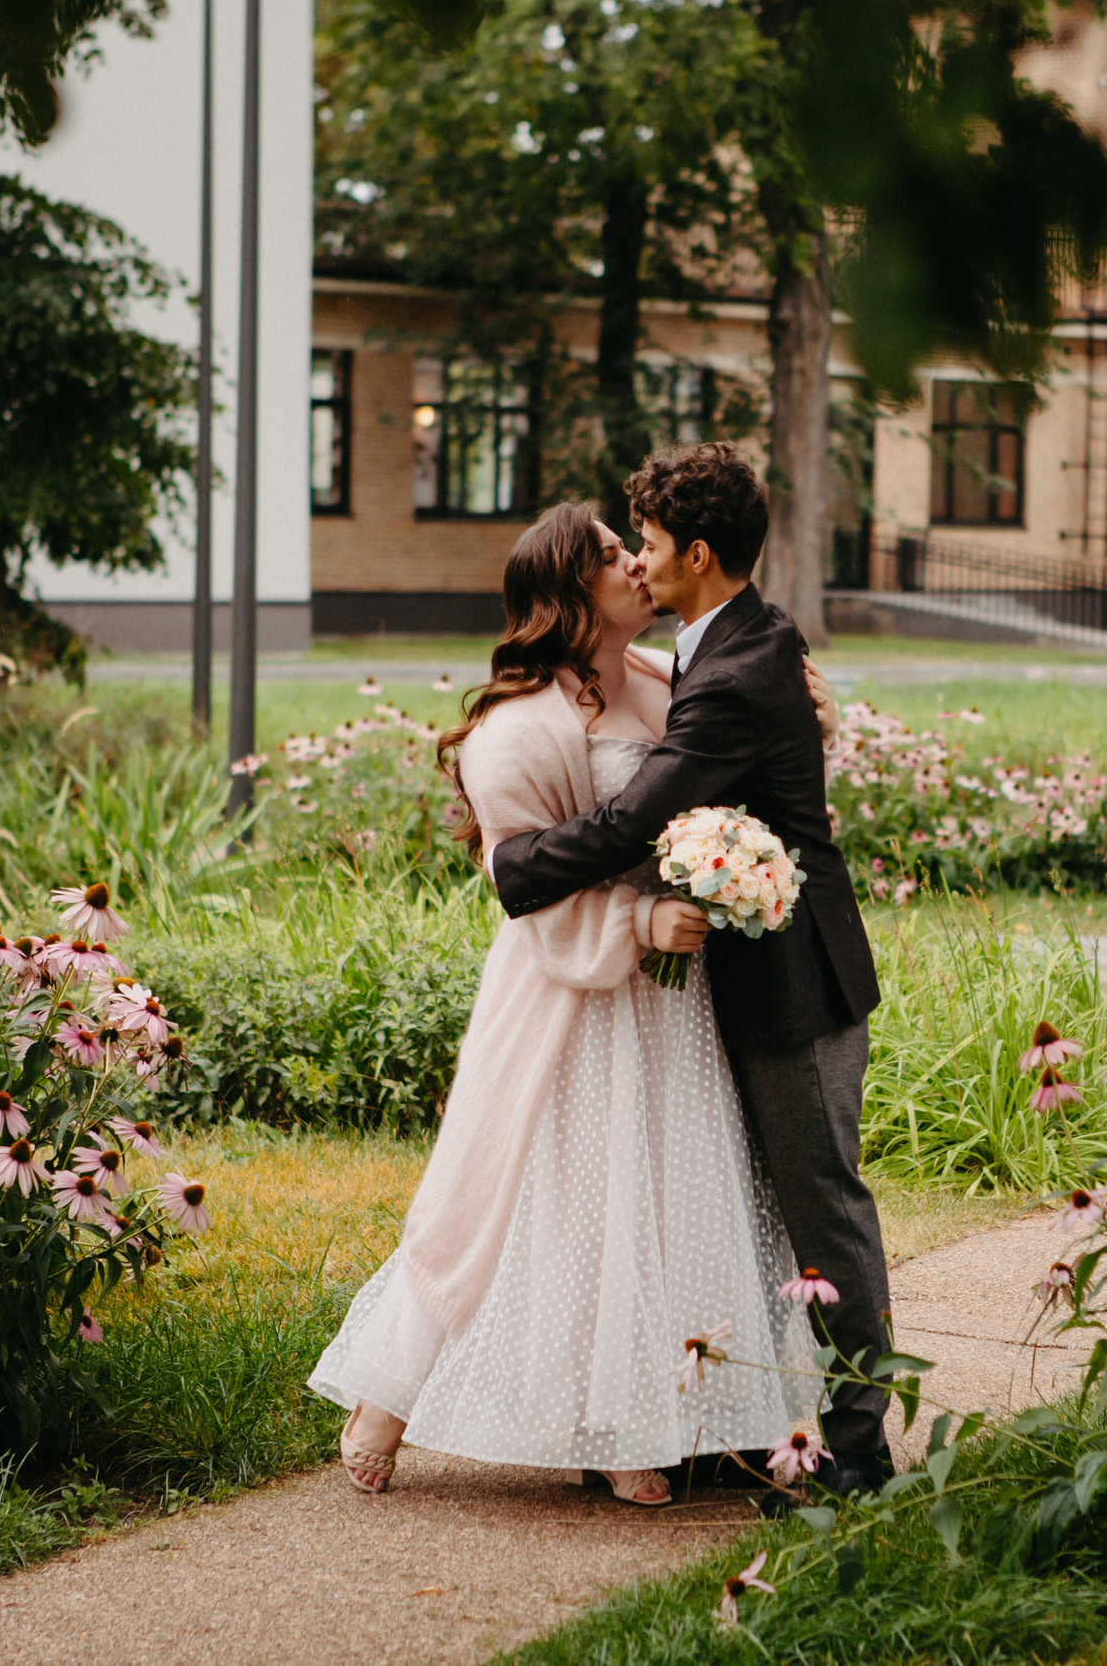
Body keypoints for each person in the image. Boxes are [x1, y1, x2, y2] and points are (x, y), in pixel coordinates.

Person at [306, 500, 834, 1502]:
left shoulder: (664, 682)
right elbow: (529, 894)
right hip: (568, 994)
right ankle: (388, 1400)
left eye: (632, 547)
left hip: (672, 1001)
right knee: (532, 1201)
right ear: (566, 593)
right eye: (608, 555)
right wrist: (637, 927)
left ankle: (642, 1418)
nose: (636, 562)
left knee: (659, 1200)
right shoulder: (515, 733)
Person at [488, 443, 892, 1496]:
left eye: (653, 546)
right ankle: (746, 1416)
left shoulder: (735, 672)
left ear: (698, 554)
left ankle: (859, 1450)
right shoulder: (734, 641)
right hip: (761, 976)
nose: (638, 564)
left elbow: (631, 818)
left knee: (821, 1207)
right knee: (773, 1211)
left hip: (794, 986)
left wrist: (517, 862)